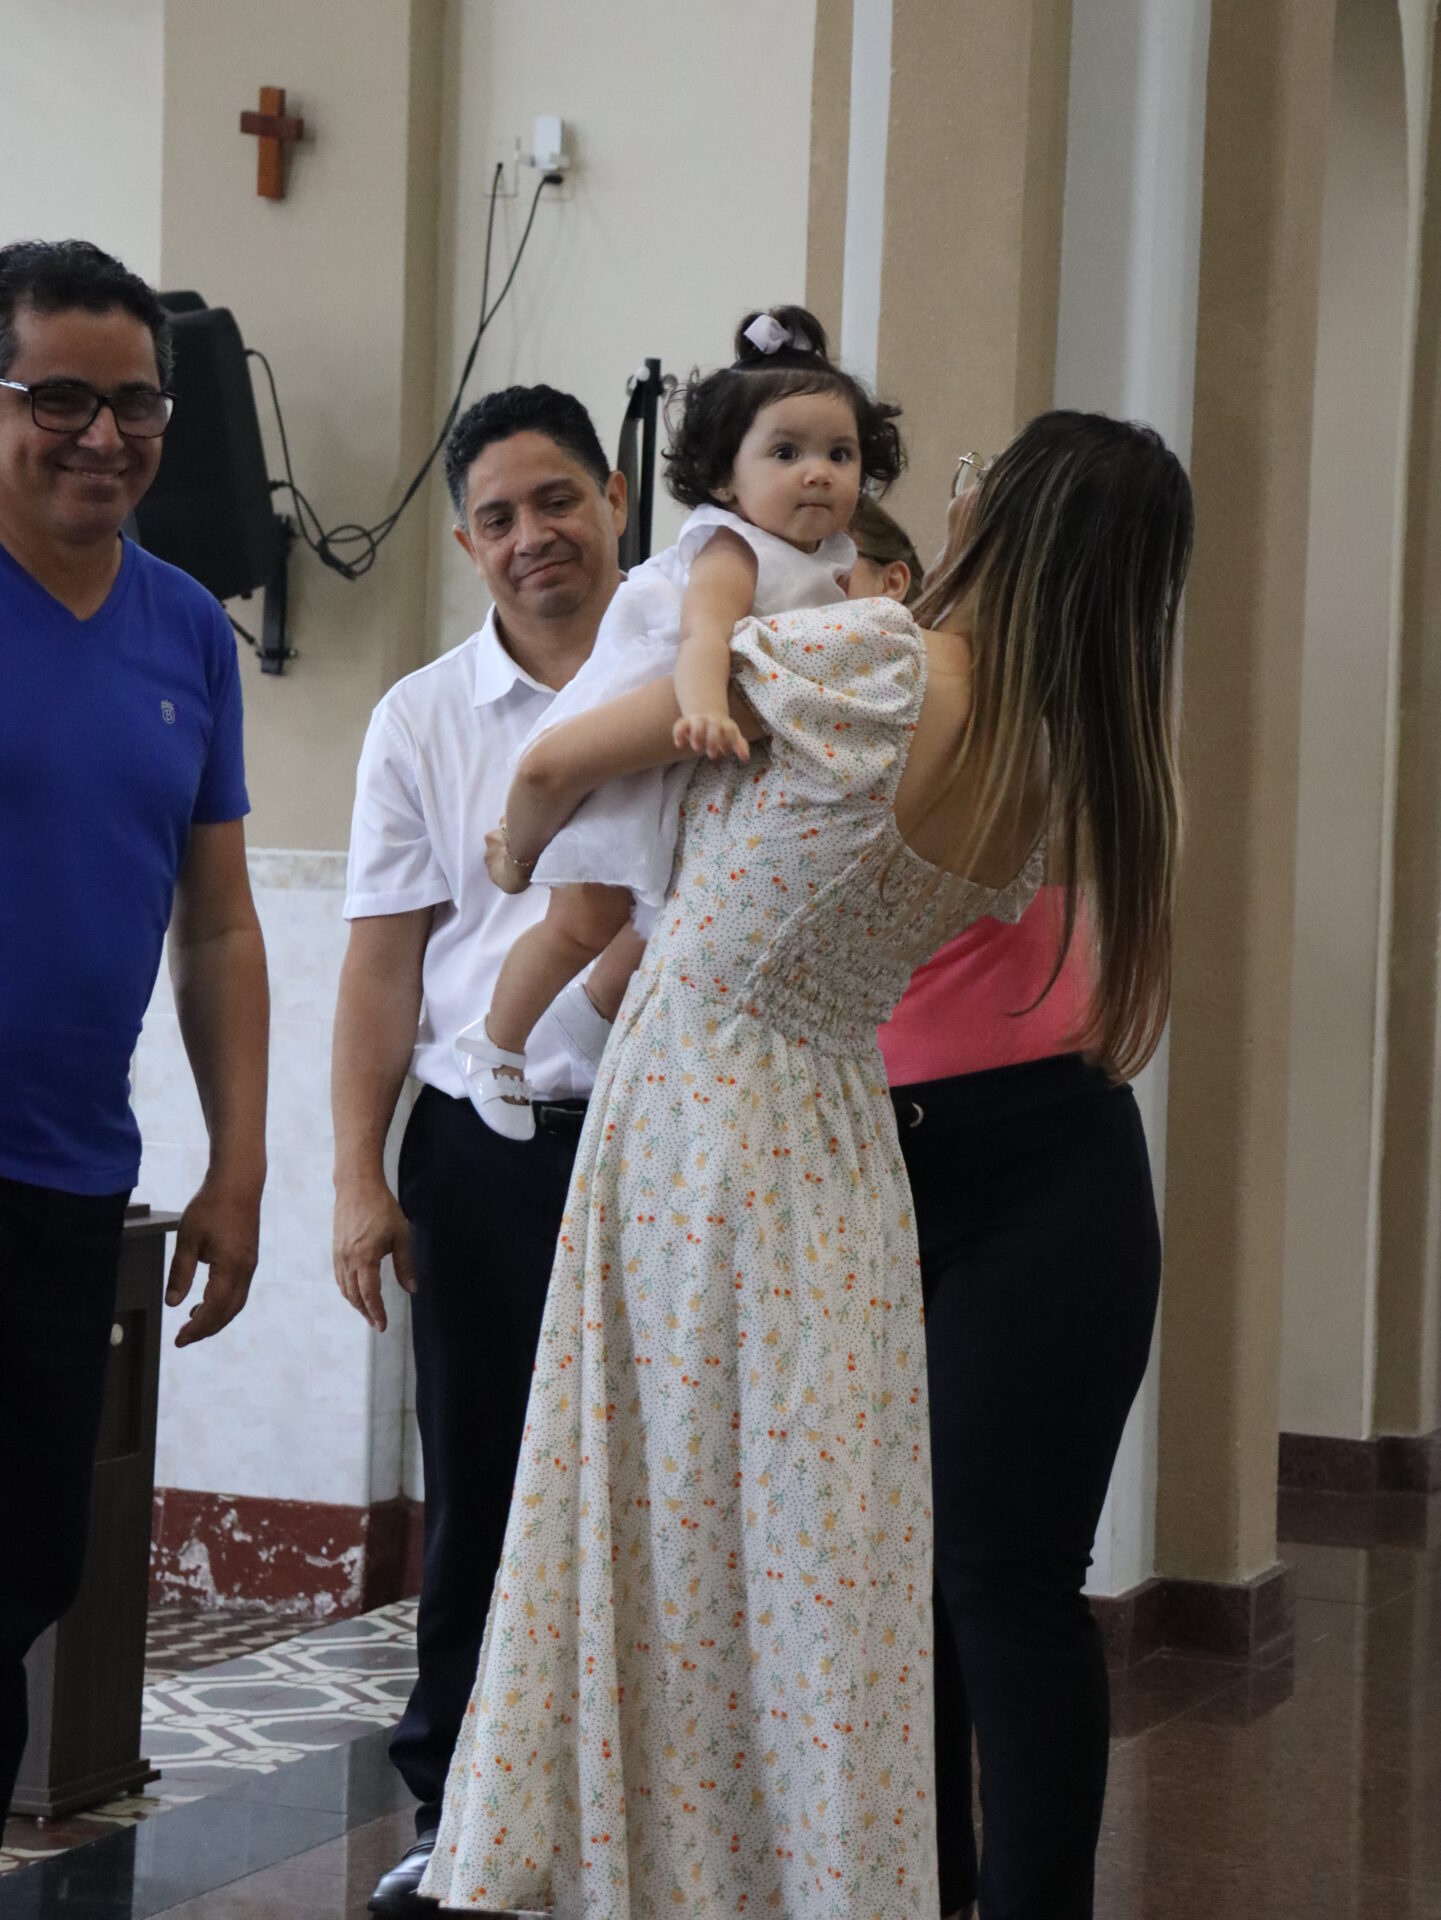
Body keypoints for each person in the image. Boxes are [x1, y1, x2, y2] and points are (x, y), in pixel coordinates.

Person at [420, 409, 1193, 1917]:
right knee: (810, 1560)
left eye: (968, 484)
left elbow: (567, 755)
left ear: (1007, 520)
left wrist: (512, 856)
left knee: (665, 1515)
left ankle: (650, 1863)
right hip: (832, 1129)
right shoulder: (1046, 765)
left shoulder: (880, 664)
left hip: (704, 1108)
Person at [331, 384, 635, 1918]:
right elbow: (383, 968)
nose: (533, 538)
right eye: (500, 518)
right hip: (482, 1150)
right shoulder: (423, 718)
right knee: (485, 1490)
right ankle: (458, 1813)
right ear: (465, 544)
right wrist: (357, 1177)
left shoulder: (697, 672)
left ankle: (650, 1816)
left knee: (664, 1490)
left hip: (670, 1139)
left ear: (617, 497)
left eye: (557, 500)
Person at [0, 239, 269, 1818]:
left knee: (25, 1570)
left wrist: (238, 1164)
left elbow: (216, 919)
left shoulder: (187, 634)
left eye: (138, 405)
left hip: (64, 1180)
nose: (104, 437)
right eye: (60, 399)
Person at [849, 490, 1124, 1920]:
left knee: (1001, 1577)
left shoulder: (1000, 695)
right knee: (899, 1583)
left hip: (1038, 1168)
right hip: (866, 1159)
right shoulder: (852, 680)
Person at [454, 305, 902, 1139]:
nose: (817, 474)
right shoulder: (732, 550)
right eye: (786, 453)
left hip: (692, 757)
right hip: (658, 722)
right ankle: (496, 1041)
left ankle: (588, 1019)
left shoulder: (834, 562)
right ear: (726, 479)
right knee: (581, 920)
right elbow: (706, 638)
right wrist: (701, 709)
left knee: (667, 904)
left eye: (839, 455)